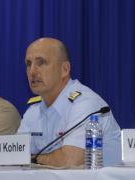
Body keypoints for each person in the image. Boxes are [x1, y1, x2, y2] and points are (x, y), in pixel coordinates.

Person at [17, 37, 121, 167]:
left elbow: (70, 161)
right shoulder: (33, 111)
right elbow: (15, 155)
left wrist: (32, 159)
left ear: (65, 70)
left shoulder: (85, 103)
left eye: (41, 62)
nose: (32, 71)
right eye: (28, 64)